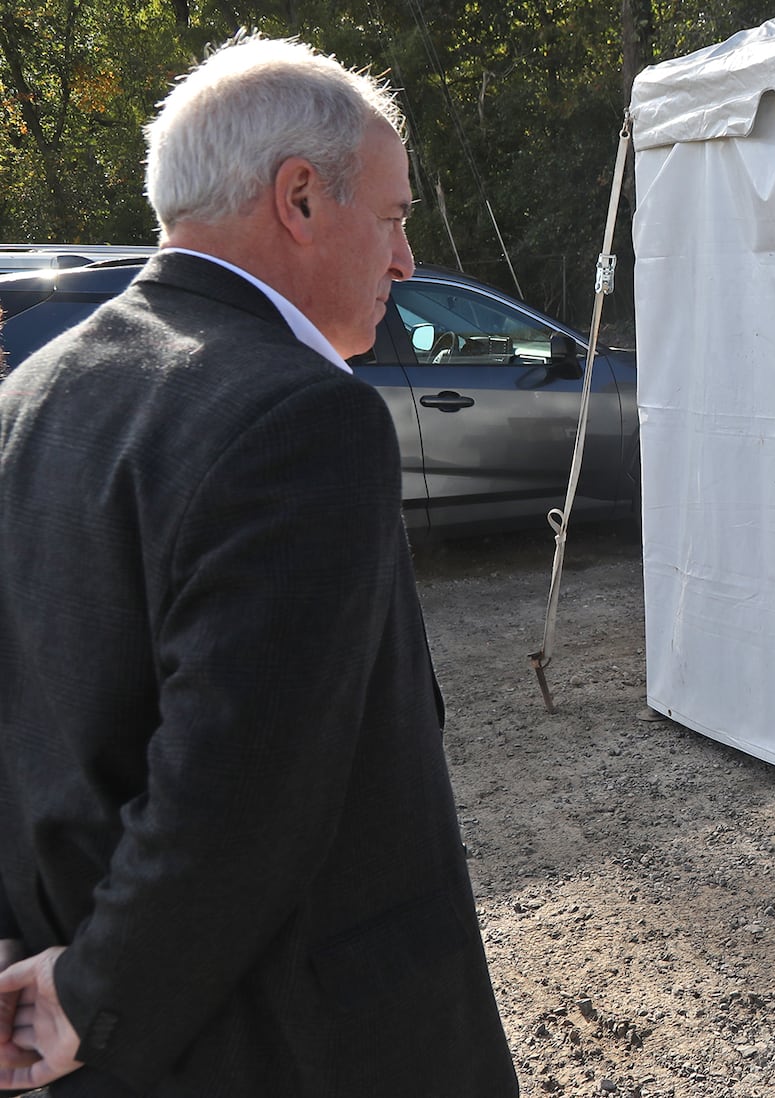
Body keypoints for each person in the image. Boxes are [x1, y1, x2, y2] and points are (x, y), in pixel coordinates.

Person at [0, 35, 518, 1096]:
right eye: (395, 216)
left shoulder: (32, 393)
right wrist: (90, 995)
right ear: (300, 199)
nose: (406, 261)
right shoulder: (299, 416)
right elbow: (236, 796)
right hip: (283, 1043)